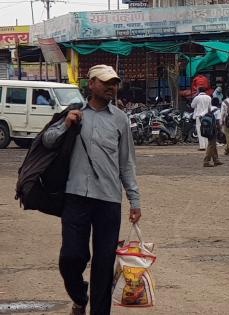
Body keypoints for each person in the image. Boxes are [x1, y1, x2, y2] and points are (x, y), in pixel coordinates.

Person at [42, 64, 141, 315]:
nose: (111, 87)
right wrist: (66, 124)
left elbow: (126, 162)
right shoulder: (73, 113)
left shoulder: (120, 118)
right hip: (75, 197)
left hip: (109, 200)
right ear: (91, 83)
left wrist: (134, 199)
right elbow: (47, 140)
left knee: (104, 264)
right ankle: (78, 296)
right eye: (106, 82)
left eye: (115, 82)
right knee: (71, 257)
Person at [191, 86, 212, 151]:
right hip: (207, 116)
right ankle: (207, 145)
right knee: (206, 130)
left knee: (199, 131)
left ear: (199, 91)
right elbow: (210, 107)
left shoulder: (197, 98)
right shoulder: (209, 97)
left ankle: (202, 146)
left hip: (199, 116)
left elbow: (192, 106)